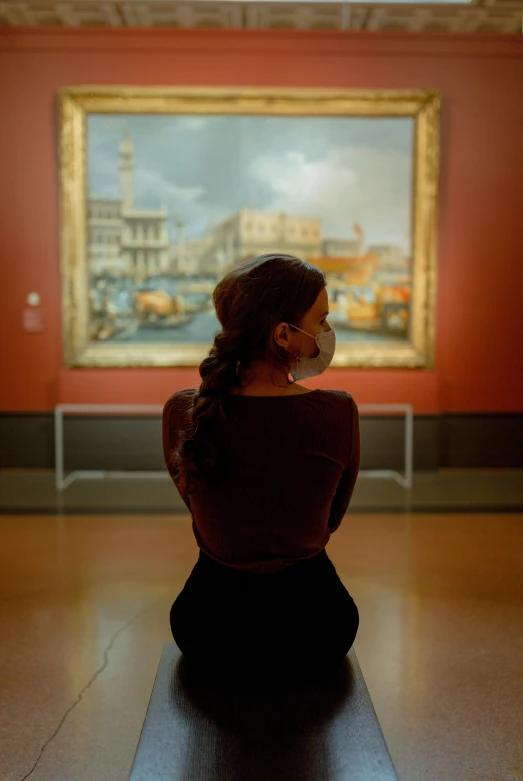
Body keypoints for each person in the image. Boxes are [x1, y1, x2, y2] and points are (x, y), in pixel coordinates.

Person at [162, 253, 360, 688]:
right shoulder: (337, 412)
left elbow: (197, 505)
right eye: (321, 321)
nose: (326, 334)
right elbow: (330, 521)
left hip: (207, 631)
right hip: (317, 631)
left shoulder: (184, 412)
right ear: (284, 335)